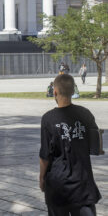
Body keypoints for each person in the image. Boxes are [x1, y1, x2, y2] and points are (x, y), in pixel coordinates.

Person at [39, 74, 101, 216]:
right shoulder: (85, 114)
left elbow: (45, 155)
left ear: (54, 92)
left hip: (57, 185)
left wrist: (42, 178)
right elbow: (96, 146)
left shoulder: (48, 119)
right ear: (73, 91)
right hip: (82, 185)